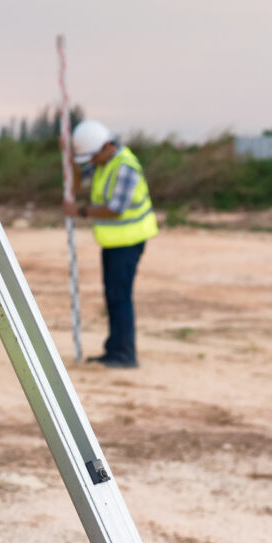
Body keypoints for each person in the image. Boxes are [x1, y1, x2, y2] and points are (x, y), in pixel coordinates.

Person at [62, 120, 158, 369]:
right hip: (113, 242)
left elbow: (116, 209)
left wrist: (79, 211)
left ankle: (124, 353)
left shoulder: (125, 167)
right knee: (114, 296)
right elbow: (76, 182)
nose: (90, 163)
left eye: (92, 157)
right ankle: (115, 349)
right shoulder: (102, 162)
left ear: (106, 147)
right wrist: (70, 158)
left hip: (129, 241)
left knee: (120, 297)